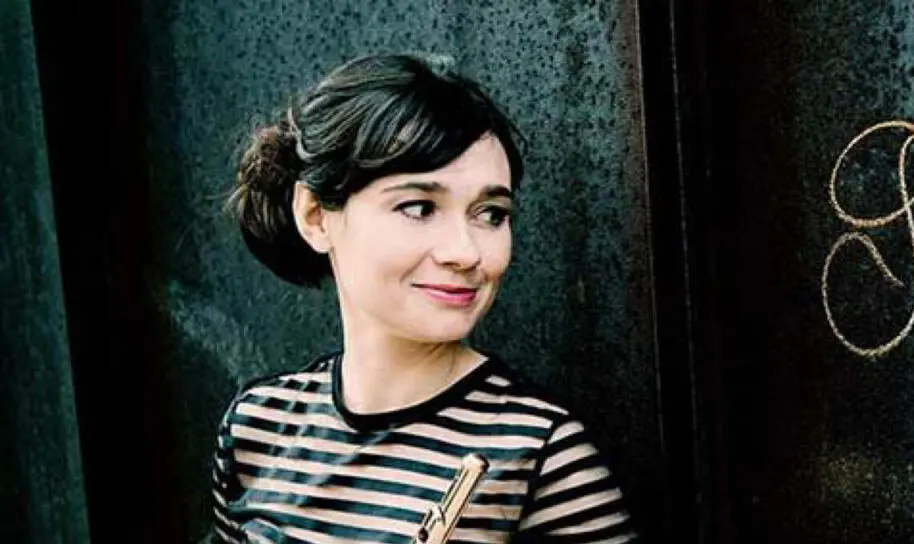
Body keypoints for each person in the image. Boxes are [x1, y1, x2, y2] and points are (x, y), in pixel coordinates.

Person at [210, 52, 636, 543]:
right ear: (314, 215)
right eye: (419, 207)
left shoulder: (540, 456)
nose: (466, 252)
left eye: (491, 214)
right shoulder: (257, 427)